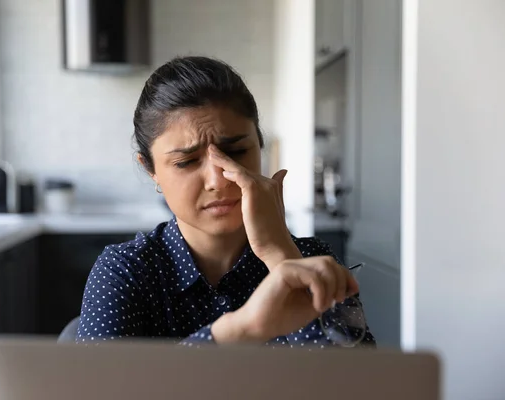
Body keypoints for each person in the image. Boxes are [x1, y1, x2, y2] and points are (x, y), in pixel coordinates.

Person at [76, 56, 375, 348]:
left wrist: (281, 254)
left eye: (235, 153)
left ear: (259, 146)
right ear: (151, 169)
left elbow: (360, 385)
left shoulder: (311, 259)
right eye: (186, 161)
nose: (218, 180)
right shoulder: (125, 271)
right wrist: (242, 329)